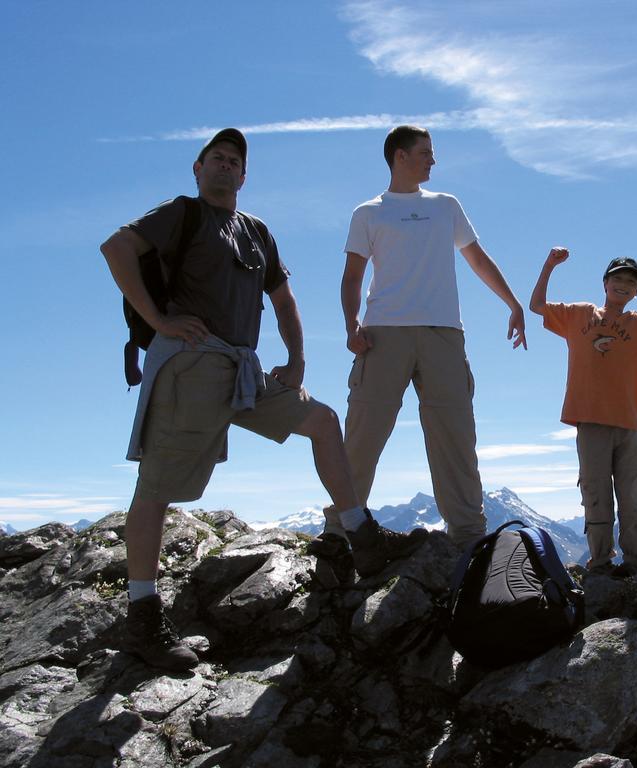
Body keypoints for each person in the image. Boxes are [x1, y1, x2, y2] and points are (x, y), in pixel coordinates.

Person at [100, 128, 422, 671]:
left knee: (321, 419)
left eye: (235, 162)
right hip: (192, 361)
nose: (226, 167)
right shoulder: (182, 213)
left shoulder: (256, 232)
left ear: (244, 176)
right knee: (157, 485)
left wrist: (297, 359)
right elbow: (116, 249)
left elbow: (283, 297)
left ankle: (360, 534)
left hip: (242, 367)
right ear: (198, 169)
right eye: (216, 159)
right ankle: (142, 614)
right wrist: (158, 322)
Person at [341, 125, 527, 547]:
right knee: (363, 435)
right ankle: (340, 533)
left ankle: (468, 539)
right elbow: (353, 276)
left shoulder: (446, 206)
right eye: (425, 152)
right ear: (399, 156)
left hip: (444, 335)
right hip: (382, 334)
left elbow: (476, 258)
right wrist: (350, 325)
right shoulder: (368, 212)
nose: (433, 160)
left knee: (456, 436)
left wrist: (512, 303)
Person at [530, 248, 637, 577]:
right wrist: (549, 265)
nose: (623, 285)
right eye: (618, 278)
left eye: (631, 282)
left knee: (632, 497)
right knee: (595, 493)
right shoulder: (578, 315)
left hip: (629, 423)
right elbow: (537, 306)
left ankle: (635, 561)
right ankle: (600, 560)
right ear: (605, 283)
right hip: (590, 421)